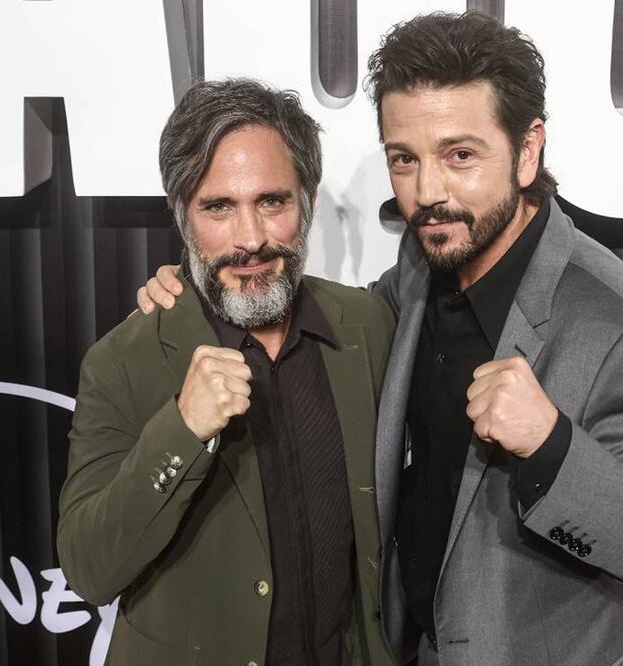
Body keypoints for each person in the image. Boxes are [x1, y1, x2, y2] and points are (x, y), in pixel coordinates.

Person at [137, 11, 623, 665]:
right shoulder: (423, 263)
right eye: (404, 160)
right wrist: (201, 282)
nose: (428, 192)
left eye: (460, 155)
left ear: (528, 150)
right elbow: (333, 311)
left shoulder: (617, 325)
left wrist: (551, 445)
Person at [58, 78, 395, 666]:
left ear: (308, 200)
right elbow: (88, 570)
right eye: (218, 207)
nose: (251, 239)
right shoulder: (124, 360)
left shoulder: (367, 325)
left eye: (272, 202)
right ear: (181, 215)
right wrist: (181, 429)